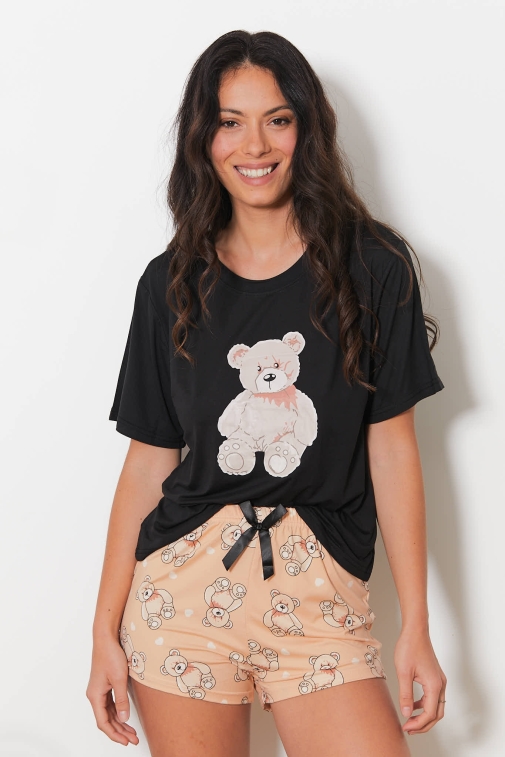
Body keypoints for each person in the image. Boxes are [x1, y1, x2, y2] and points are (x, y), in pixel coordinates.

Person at [86, 29, 447, 757]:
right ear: (203, 138)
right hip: (180, 597)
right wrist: (103, 631)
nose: (254, 145)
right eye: (230, 121)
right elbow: (148, 463)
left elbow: (391, 449)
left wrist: (416, 625)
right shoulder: (169, 284)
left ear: (306, 129)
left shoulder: (374, 269)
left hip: (321, 594)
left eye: (277, 119)